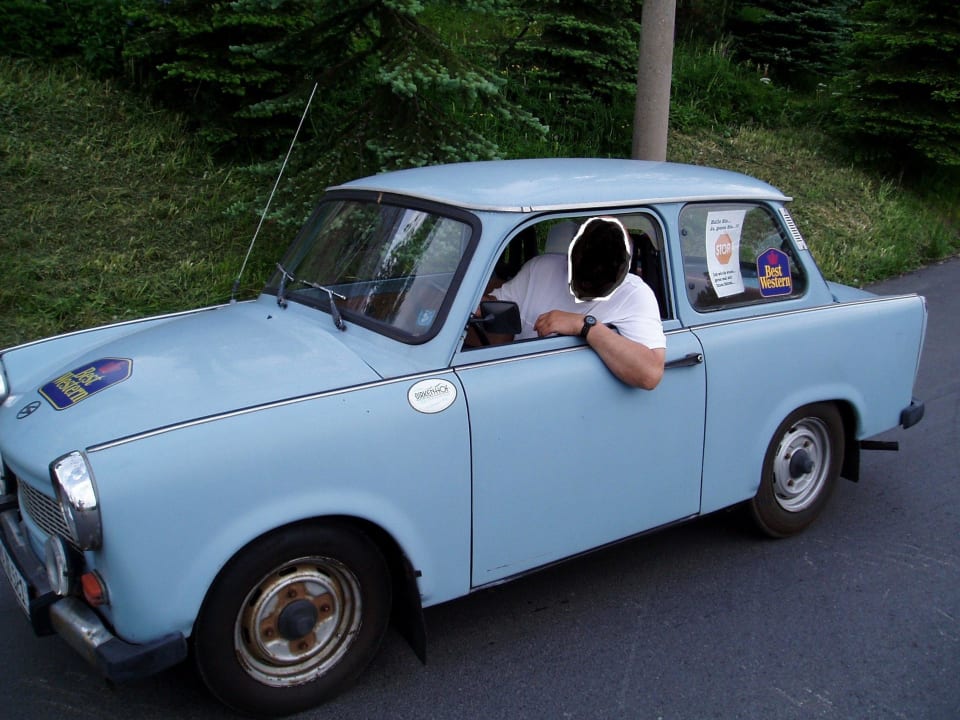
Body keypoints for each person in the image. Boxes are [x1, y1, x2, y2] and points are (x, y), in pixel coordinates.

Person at [488, 216, 666, 390]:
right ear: (570, 255)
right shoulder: (541, 268)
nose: (587, 284)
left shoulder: (635, 295)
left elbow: (650, 374)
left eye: (599, 278)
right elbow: (497, 307)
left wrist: (584, 325)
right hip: (518, 383)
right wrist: (483, 307)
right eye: (583, 273)